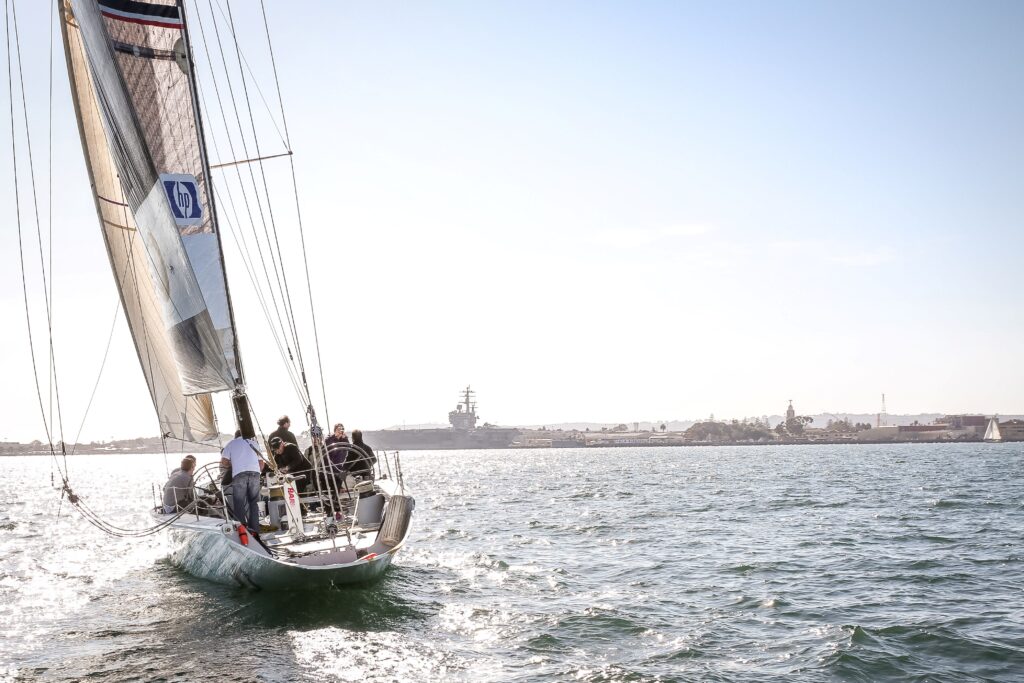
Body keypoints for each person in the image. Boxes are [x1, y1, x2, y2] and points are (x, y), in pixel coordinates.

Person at [220, 432, 265, 532]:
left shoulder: (231, 443)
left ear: (235, 436)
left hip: (239, 474)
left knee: (239, 503)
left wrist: (233, 463)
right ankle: (255, 530)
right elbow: (261, 464)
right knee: (254, 503)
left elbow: (224, 461)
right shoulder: (254, 443)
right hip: (255, 474)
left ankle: (241, 530)